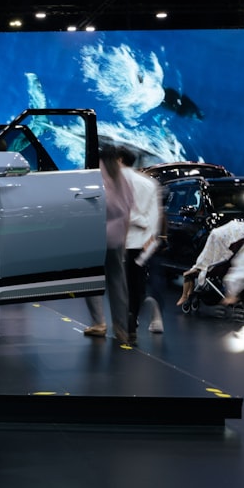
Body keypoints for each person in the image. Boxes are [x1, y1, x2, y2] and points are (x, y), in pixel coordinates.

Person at [83, 146, 134, 344]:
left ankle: (99, 323)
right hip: (118, 238)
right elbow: (129, 209)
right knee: (118, 283)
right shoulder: (124, 178)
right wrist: (124, 238)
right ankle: (121, 328)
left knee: (91, 280)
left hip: (95, 237)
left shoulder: (94, 175)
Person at [118, 147, 163, 343]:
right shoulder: (149, 183)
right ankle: (132, 320)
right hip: (139, 244)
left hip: (117, 242)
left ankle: (123, 321)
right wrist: (149, 244)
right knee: (136, 285)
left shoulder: (112, 183)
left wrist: (136, 219)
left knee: (119, 285)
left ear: (119, 160)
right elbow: (155, 217)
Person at [176, 218, 244, 307]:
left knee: (188, 274)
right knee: (194, 271)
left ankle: (185, 297)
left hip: (214, 268)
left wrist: (200, 266)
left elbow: (207, 257)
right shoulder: (232, 250)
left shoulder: (219, 243)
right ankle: (188, 296)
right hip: (222, 267)